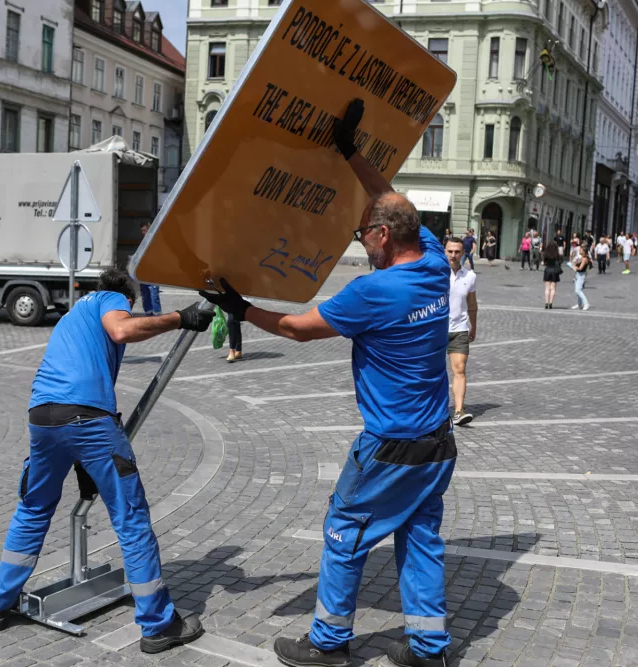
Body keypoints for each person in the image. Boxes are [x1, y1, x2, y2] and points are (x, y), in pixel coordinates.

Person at [201, 99, 456, 667]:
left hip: (390, 446)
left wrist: (240, 307)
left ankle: (328, 644)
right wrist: (350, 152)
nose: (360, 238)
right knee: (419, 540)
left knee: (345, 532)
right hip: (439, 443)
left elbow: (296, 328)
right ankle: (431, 651)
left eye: (365, 232)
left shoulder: (375, 292)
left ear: (385, 237)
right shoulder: (435, 261)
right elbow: (392, 195)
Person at [0, 268, 214, 653]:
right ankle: (159, 625)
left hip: (44, 417)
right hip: (88, 420)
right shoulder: (112, 300)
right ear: (126, 297)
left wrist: (80, 461)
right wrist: (180, 318)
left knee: (34, 508)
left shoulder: (75, 313)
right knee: (130, 518)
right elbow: (122, 330)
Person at [444, 237, 477, 426]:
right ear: (444, 251)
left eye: (457, 252)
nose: (453, 255)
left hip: (460, 329)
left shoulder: (470, 276)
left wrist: (473, 326)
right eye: (450, 251)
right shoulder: (435, 274)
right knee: (432, 370)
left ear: (463, 253)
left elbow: (472, 304)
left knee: (460, 369)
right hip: (436, 329)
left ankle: (458, 411)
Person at [138, 222, 162, 316]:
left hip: (153, 271)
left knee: (153, 293)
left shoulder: (155, 240)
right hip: (144, 271)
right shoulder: (143, 242)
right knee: (145, 293)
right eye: (142, 231)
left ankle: (157, 315)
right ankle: (148, 313)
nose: (143, 233)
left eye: (144, 230)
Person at [542, 241, 561, 309]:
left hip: (547, 270)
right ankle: (551, 304)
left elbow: (543, 263)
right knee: (553, 289)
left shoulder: (546, 254)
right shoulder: (557, 254)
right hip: (554, 271)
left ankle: (546, 303)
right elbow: (559, 262)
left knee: (547, 288)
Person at [571, 245, 591, 311]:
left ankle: (586, 303)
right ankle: (579, 304)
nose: (579, 251)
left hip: (581, 275)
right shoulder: (582, 258)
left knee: (578, 290)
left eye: (581, 250)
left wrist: (573, 266)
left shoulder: (585, 259)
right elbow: (577, 265)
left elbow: (580, 268)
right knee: (577, 291)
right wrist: (574, 263)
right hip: (577, 275)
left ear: (584, 252)